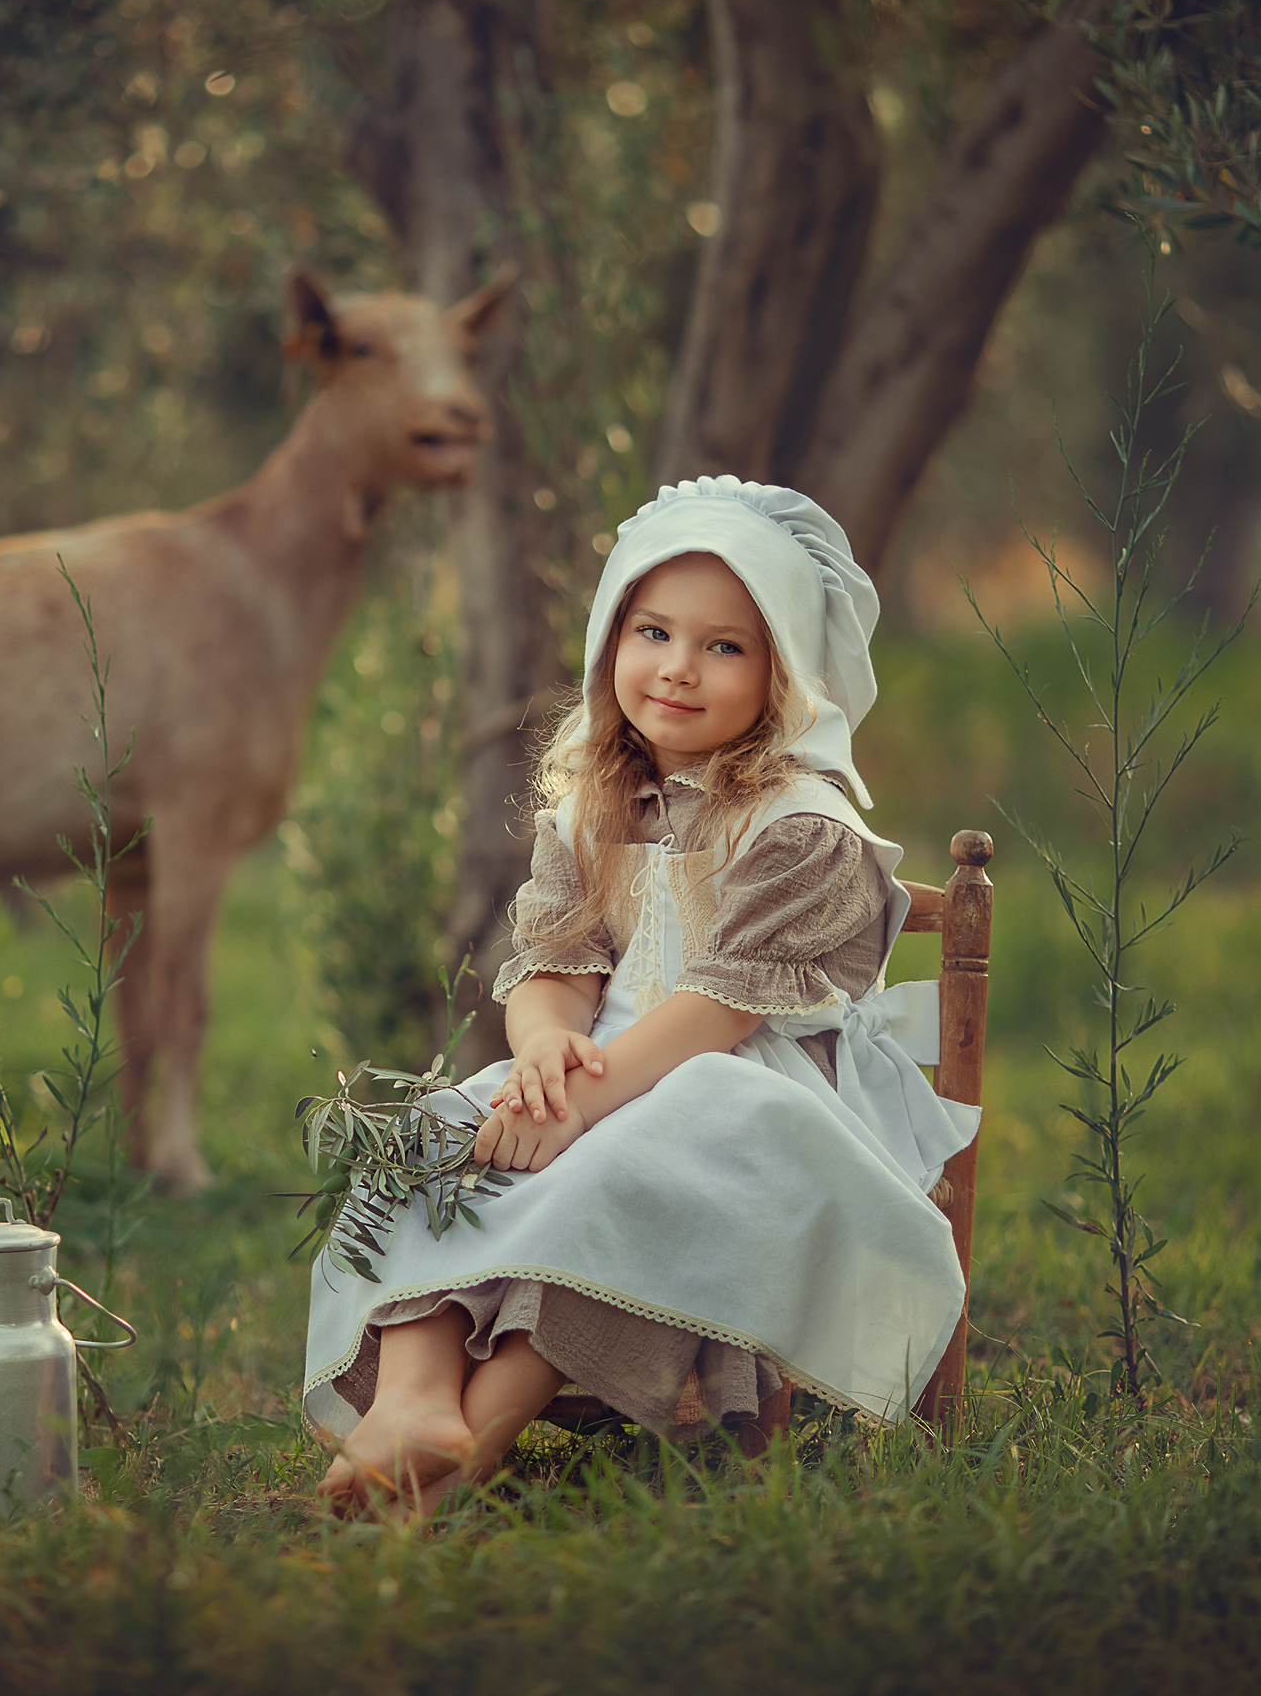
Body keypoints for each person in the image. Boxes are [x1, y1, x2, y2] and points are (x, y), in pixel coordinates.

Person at [305, 476, 979, 1516]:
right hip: (599, 1070)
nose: (676, 667)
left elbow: (722, 1011)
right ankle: (414, 1398)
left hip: (751, 1091)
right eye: (652, 631)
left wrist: (580, 1102)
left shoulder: (804, 825)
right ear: (610, 637)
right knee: (434, 1132)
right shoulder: (592, 808)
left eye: (724, 646)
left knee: (629, 1172)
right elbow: (554, 963)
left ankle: (465, 1455)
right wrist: (542, 1052)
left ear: (783, 672)